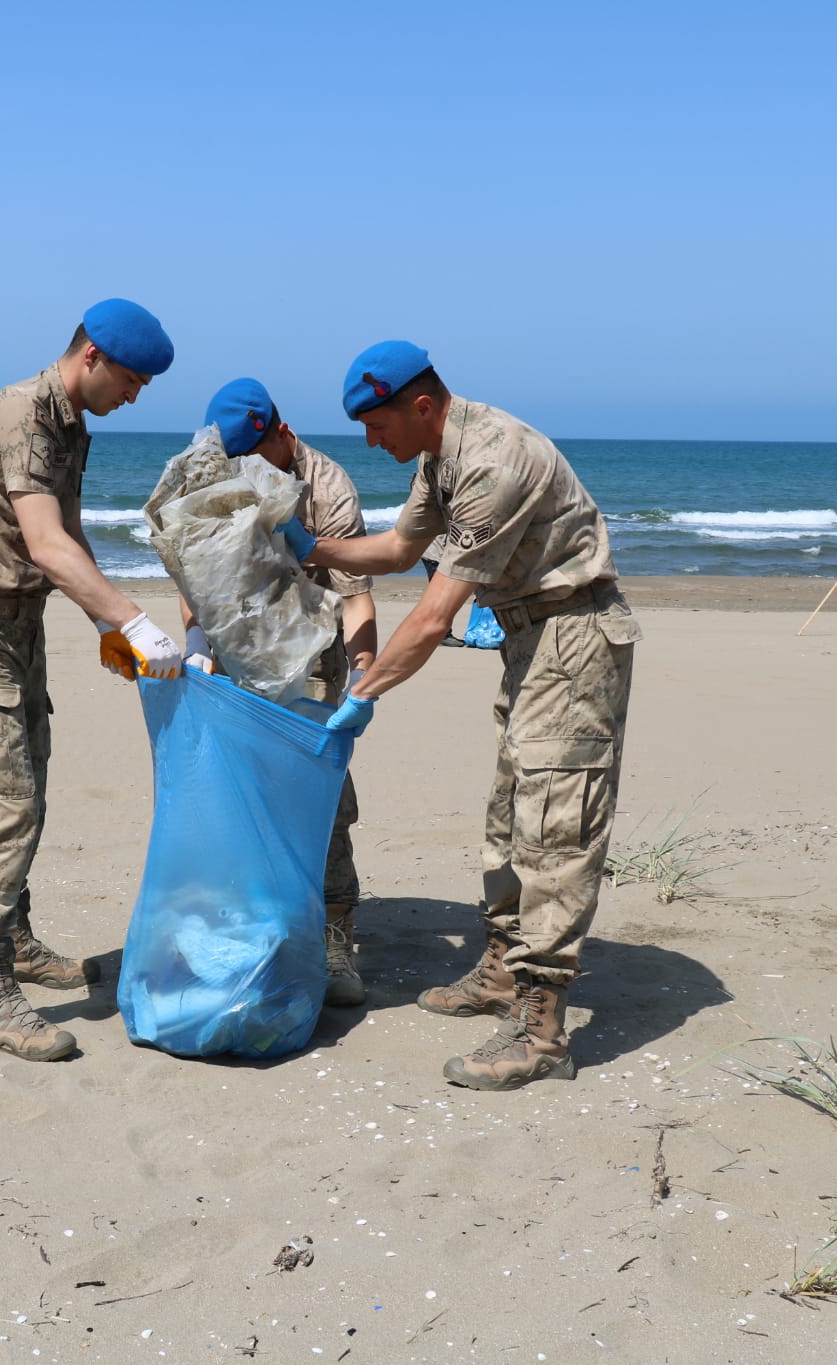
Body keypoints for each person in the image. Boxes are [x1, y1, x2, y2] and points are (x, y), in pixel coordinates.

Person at [280, 341, 640, 1091]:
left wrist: (361, 692)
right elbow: (399, 546)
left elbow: (434, 614)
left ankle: (542, 1029)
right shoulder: (437, 458)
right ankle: (504, 973)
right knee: (510, 814)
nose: (370, 442)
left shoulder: (493, 461)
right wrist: (313, 546)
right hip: (527, 635)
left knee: (555, 825)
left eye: (377, 426)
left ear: (421, 404)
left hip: (573, 635)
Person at [0, 299, 184, 1062]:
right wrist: (133, 619)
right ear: (92, 356)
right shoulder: (23, 417)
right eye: (132, 380)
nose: (135, 396)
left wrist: (108, 622)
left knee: (31, 779)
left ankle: (17, 937)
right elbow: (43, 543)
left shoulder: (71, 425)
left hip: (18, 627)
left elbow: (68, 537)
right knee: (11, 802)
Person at [183, 377, 379, 1007]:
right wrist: (194, 646)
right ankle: (259, 927)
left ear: (283, 433)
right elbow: (199, 581)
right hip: (238, 653)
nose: (248, 475)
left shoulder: (329, 487)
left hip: (315, 655)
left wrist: (363, 678)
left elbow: (355, 592)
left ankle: (334, 933)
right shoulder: (220, 477)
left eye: (257, 460)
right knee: (244, 794)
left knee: (324, 801)